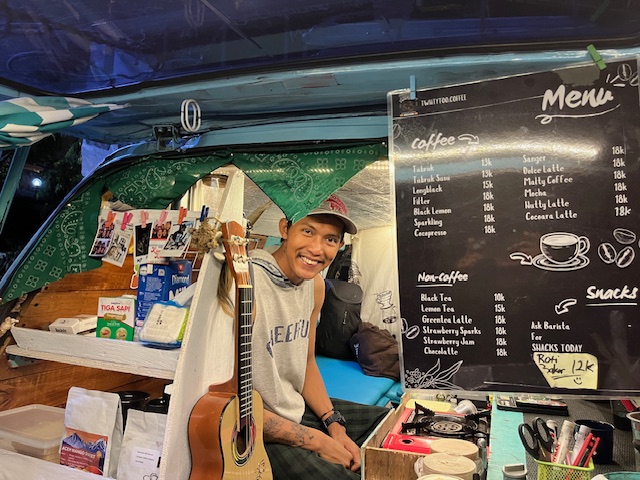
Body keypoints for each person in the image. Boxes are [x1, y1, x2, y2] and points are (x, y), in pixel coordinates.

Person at [245, 194, 389, 479]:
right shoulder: (246, 282)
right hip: (250, 427)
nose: (316, 248)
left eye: (330, 239)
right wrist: (317, 441)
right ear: (285, 229)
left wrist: (334, 424)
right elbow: (226, 401)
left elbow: (307, 362)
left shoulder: (315, 287)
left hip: (294, 408)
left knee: (390, 428)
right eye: (308, 231)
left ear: (340, 245)